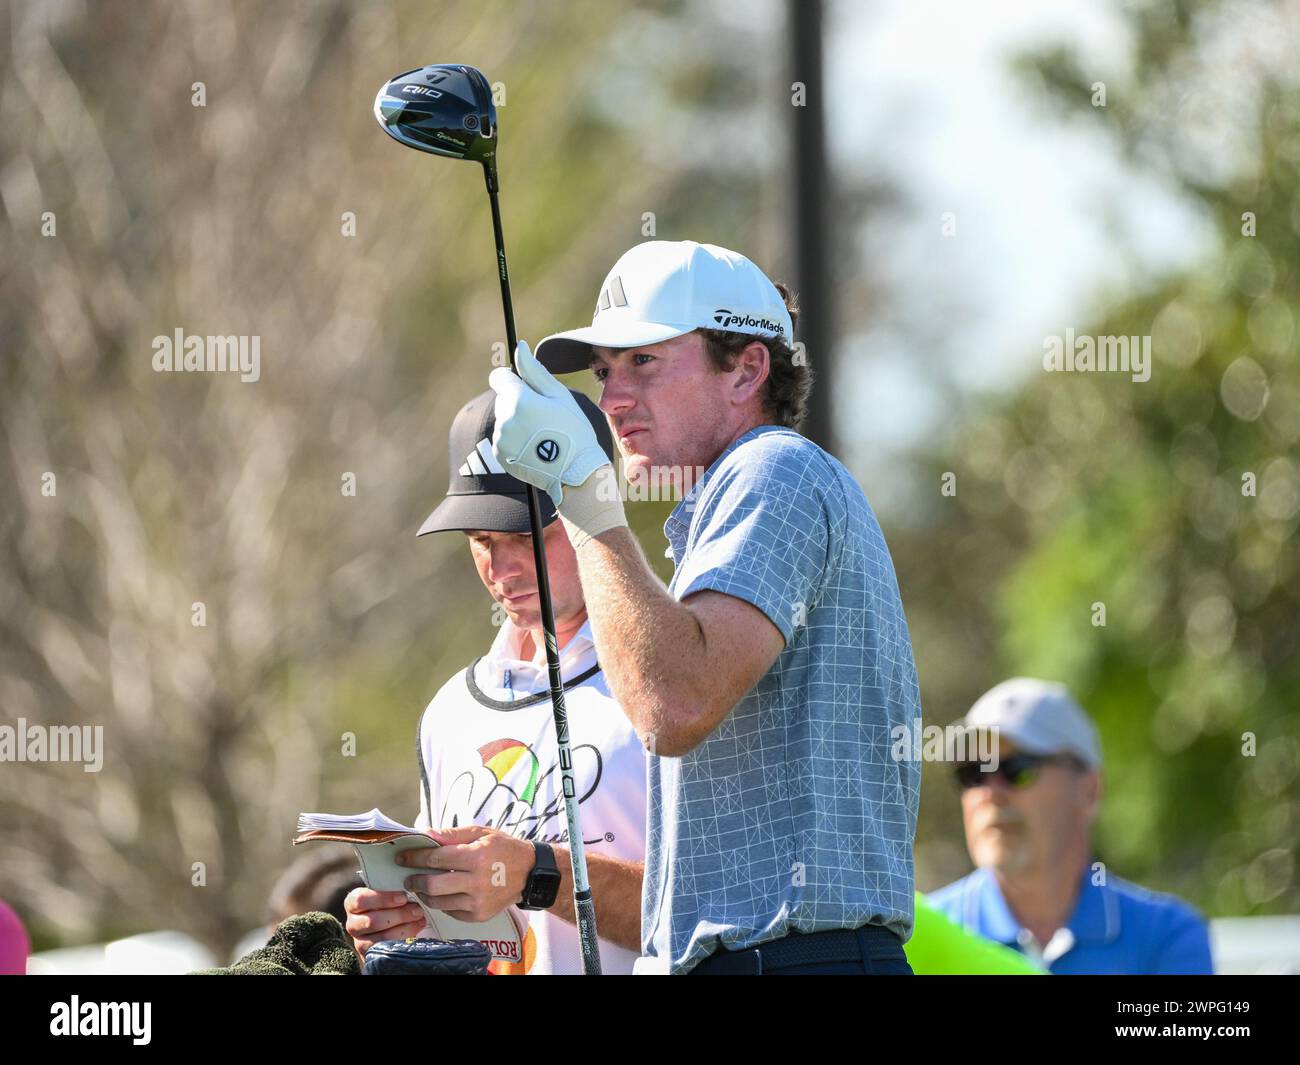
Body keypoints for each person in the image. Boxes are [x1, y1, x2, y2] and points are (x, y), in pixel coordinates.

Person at [489, 239, 922, 975]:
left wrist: (586, 496)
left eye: (644, 362)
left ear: (748, 368)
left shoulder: (773, 469)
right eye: (603, 372)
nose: (611, 398)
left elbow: (671, 702)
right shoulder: (739, 494)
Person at [343, 389, 647, 974]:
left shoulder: (668, 687)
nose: (502, 571)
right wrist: (398, 926)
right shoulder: (450, 711)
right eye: (481, 542)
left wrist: (532, 873)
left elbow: (717, 912)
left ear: (595, 510)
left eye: (527, 536)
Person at [928, 677, 1214, 974]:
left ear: (1089, 791)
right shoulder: (908, 937)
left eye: (1017, 770)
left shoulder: (1167, 936)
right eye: (973, 773)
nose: (990, 793)